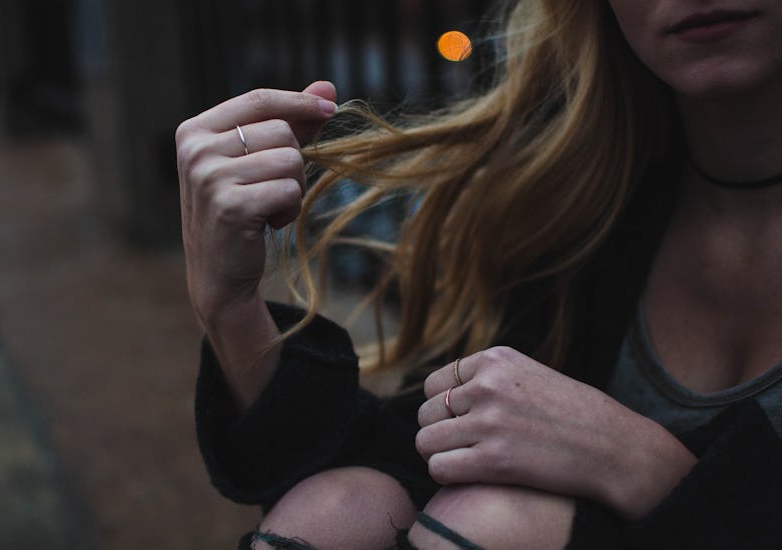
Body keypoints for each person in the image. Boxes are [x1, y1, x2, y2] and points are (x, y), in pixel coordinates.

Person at [175, 0, 782, 548]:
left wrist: (645, 468)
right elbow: (409, 469)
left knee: (498, 517)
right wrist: (231, 310)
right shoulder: (572, 205)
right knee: (339, 511)